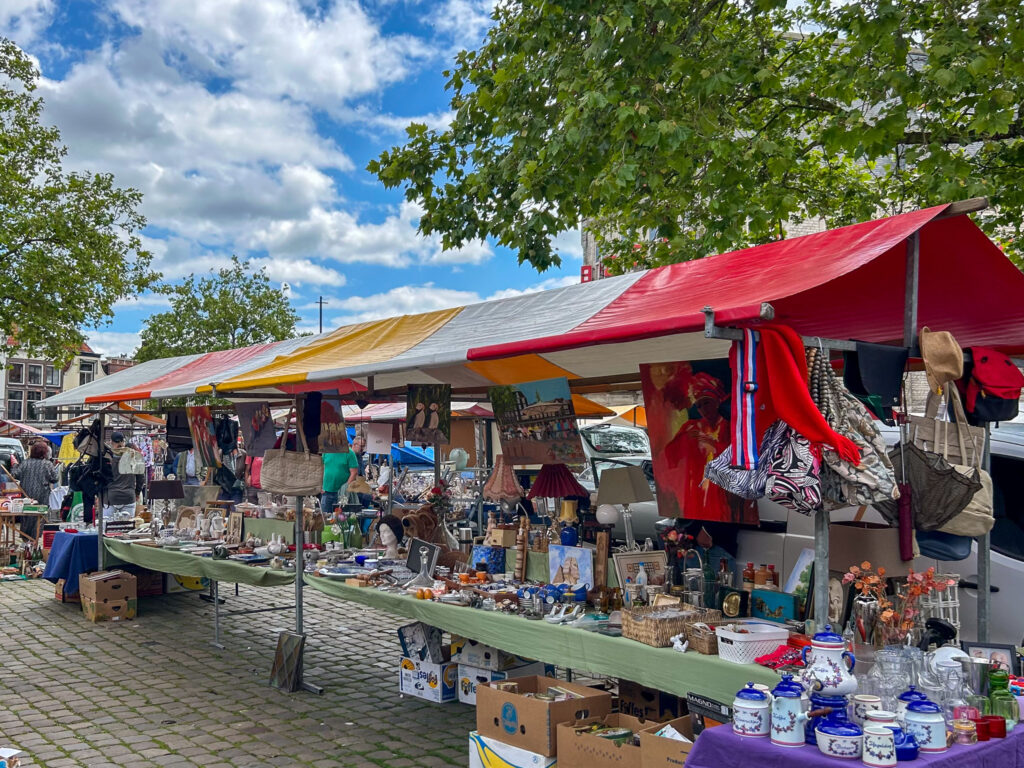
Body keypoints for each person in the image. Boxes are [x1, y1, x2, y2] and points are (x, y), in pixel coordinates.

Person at [13, 442, 58, 535]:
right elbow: (55, 479)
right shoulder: (47, 464)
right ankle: (36, 537)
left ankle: (26, 538)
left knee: (26, 515)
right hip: (42, 494)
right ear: (45, 452)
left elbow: (15, 475)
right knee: (40, 515)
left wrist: (14, 465)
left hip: (26, 493)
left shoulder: (25, 463)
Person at [107, 431, 145, 519]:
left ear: (111, 442)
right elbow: (141, 478)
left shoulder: (106, 458)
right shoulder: (134, 457)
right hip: (128, 497)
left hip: (110, 498)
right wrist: (137, 492)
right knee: (127, 527)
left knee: (108, 529)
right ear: (124, 442)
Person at [321, 446, 359, 519]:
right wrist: (320, 485)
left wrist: (346, 488)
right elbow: (321, 468)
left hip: (342, 494)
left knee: (341, 520)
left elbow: (354, 473)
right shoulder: (326, 452)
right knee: (325, 519)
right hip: (326, 491)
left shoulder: (349, 453)